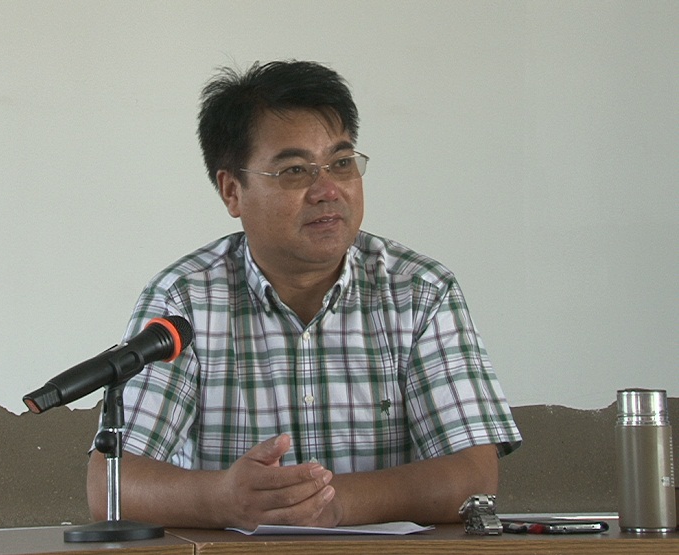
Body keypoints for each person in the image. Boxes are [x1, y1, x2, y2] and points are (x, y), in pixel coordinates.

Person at [87, 60, 522, 530]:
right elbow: (111, 486)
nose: (327, 190)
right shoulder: (185, 300)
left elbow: (474, 475)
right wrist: (225, 499)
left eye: (342, 163)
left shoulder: (420, 292)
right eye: (295, 170)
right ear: (232, 191)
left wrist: (333, 504)